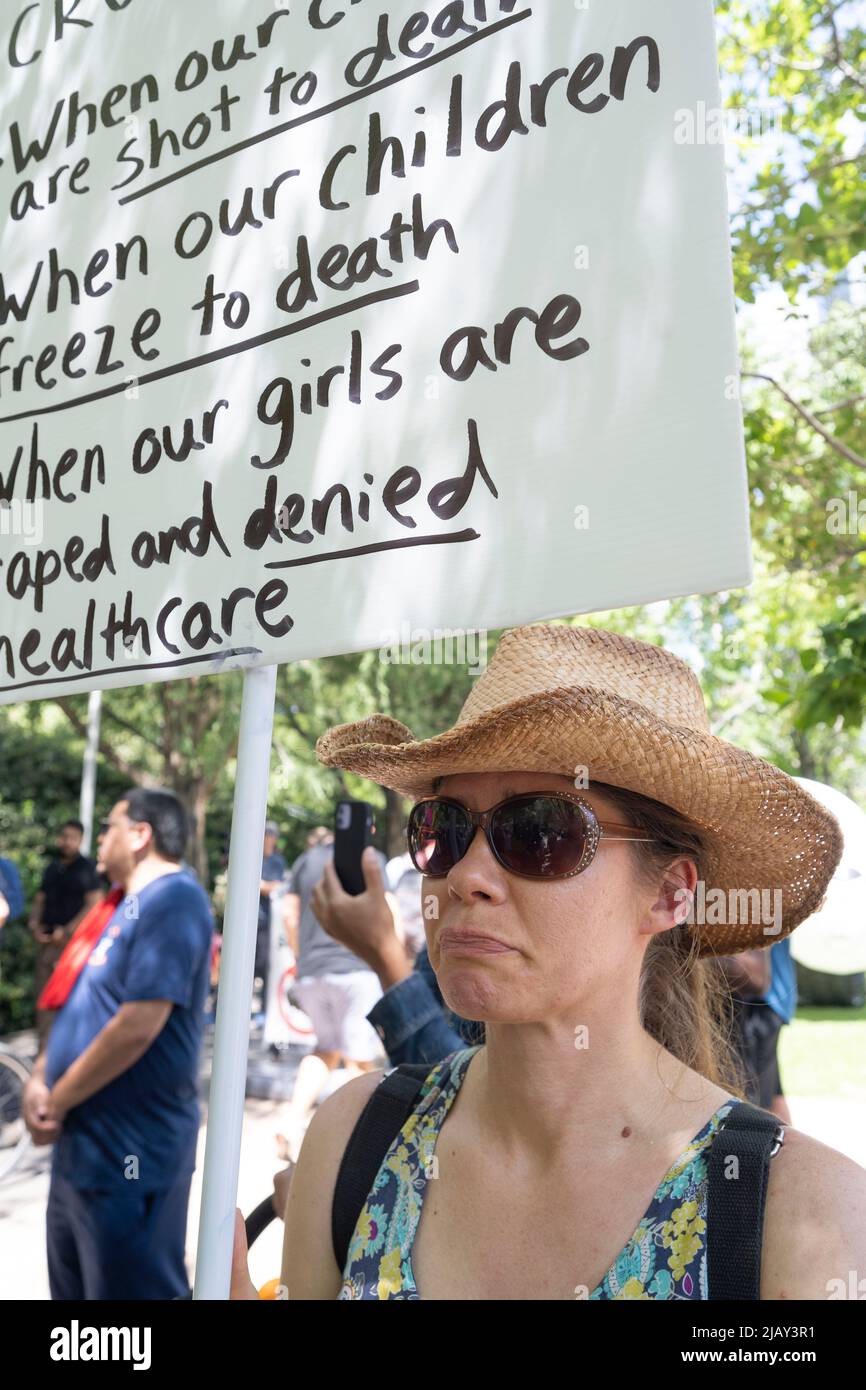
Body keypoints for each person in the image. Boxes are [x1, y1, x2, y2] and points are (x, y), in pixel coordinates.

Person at [230, 622, 865, 1301]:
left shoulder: (800, 1217)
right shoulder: (354, 1139)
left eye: (539, 832)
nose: (467, 874)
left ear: (671, 894)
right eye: (444, 829)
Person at [22, 788, 214, 1300]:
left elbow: (138, 1023)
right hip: (83, 1150)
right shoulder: (119, 907)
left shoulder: (173, 898)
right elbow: (80, 1006)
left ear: (140, 835)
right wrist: (41, 1076)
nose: (100, 838)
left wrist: (56, 1098)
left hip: (130, 1152)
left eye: (109, 826)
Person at [275, 828, 387, 1161]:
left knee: (326, 1050)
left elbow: (287, 913)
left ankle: (290, 1124)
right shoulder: (371, 859)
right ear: (370, 830)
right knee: (360, 1059)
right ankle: (362, 1144)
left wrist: (300, 955)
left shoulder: (305, 861)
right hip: (356, 972)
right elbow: (388, 910)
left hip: (312, 973)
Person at [28, 820, 102, 1048]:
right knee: (44, 1000)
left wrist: (68, 930)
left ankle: (70, 1052)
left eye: (73, 838)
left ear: (80, 840)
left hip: (75, 946)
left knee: (73, 1001)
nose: (67, 842)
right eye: (65, 837)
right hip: (48, 943)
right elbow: (40, 899)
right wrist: (34, 924)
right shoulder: (52, 867)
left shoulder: (87, 867)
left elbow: (94, 903)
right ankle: (44, 1050)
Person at [255, 820, 287, 1024]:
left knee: (267, 965)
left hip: (270, 921)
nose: (269, 840)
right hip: (253, 919)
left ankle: (264, 1010)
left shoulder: (277, 861)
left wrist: (264, 885)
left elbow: (277, 886)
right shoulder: (253, 856)